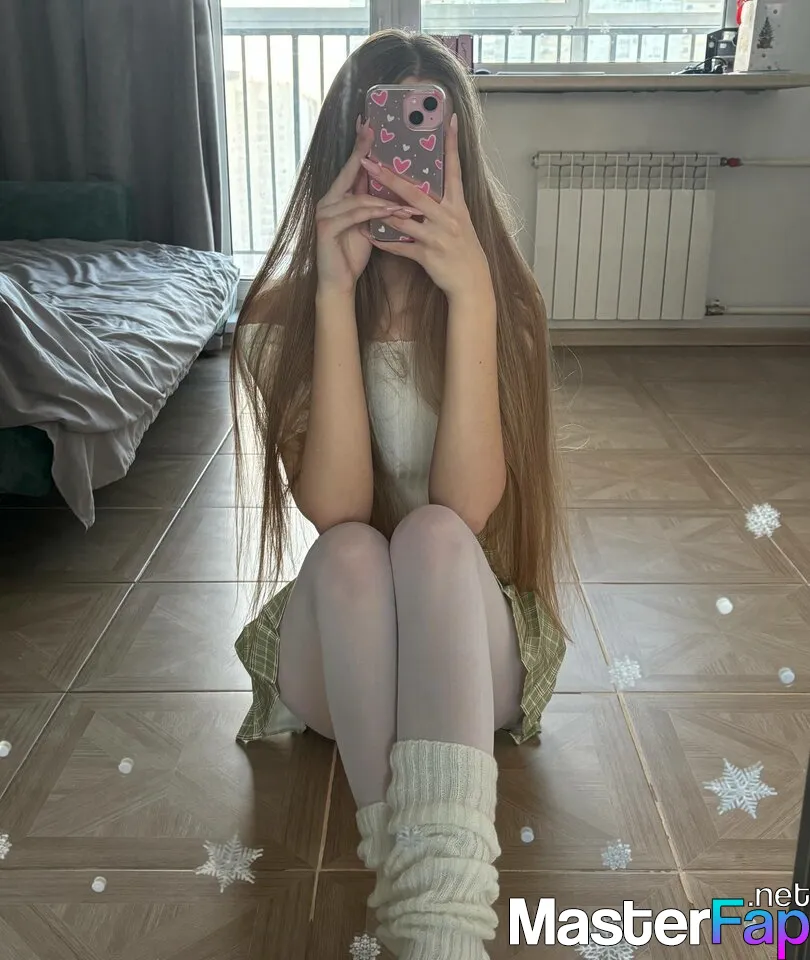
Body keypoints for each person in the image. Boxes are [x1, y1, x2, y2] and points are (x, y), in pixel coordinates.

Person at [231, 30, 571, 960]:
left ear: (457, 159)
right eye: (378, 143)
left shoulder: (504, 312)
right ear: (341, 158)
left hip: (462, 646)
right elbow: (337, 510)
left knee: (432, 535)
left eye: (421, 141)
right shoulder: (279, 326)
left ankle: (431, 917)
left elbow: (465, 511)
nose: (398, 174)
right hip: (335, 652)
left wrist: (474, 301)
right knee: (351, 550)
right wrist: (334, 295)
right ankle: (427, 895)